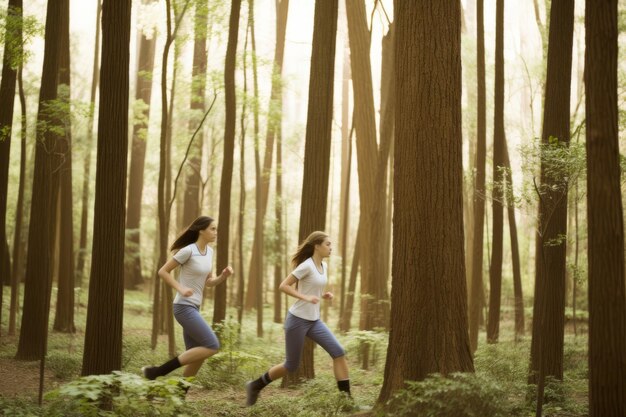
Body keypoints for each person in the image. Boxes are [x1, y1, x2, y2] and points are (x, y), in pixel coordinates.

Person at [245, 231, 350, 406]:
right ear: (317, 246)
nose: (331, 248)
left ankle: (347, 401)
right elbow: (283, 286)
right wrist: (305, 297)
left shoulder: (324, 266)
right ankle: (255, 385)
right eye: (328, 244)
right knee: (291, 365)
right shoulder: (306, 265)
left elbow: (313, 289)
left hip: (314, 321)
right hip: (297, 320)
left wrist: (323, 295)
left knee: (338, 352)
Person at [142, 216, 233, 381]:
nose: (216, 232)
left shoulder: (210, 252)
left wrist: (223, 276)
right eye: (212, 229)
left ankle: (179, 395)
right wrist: (181, 288)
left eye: (216, 229)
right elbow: (162, 271)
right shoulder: (188, 250)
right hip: (183, 307)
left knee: (197, 355)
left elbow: (209, 282)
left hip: (194, 307)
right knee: (212, 345)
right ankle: (157, 371)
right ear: (201, 230)